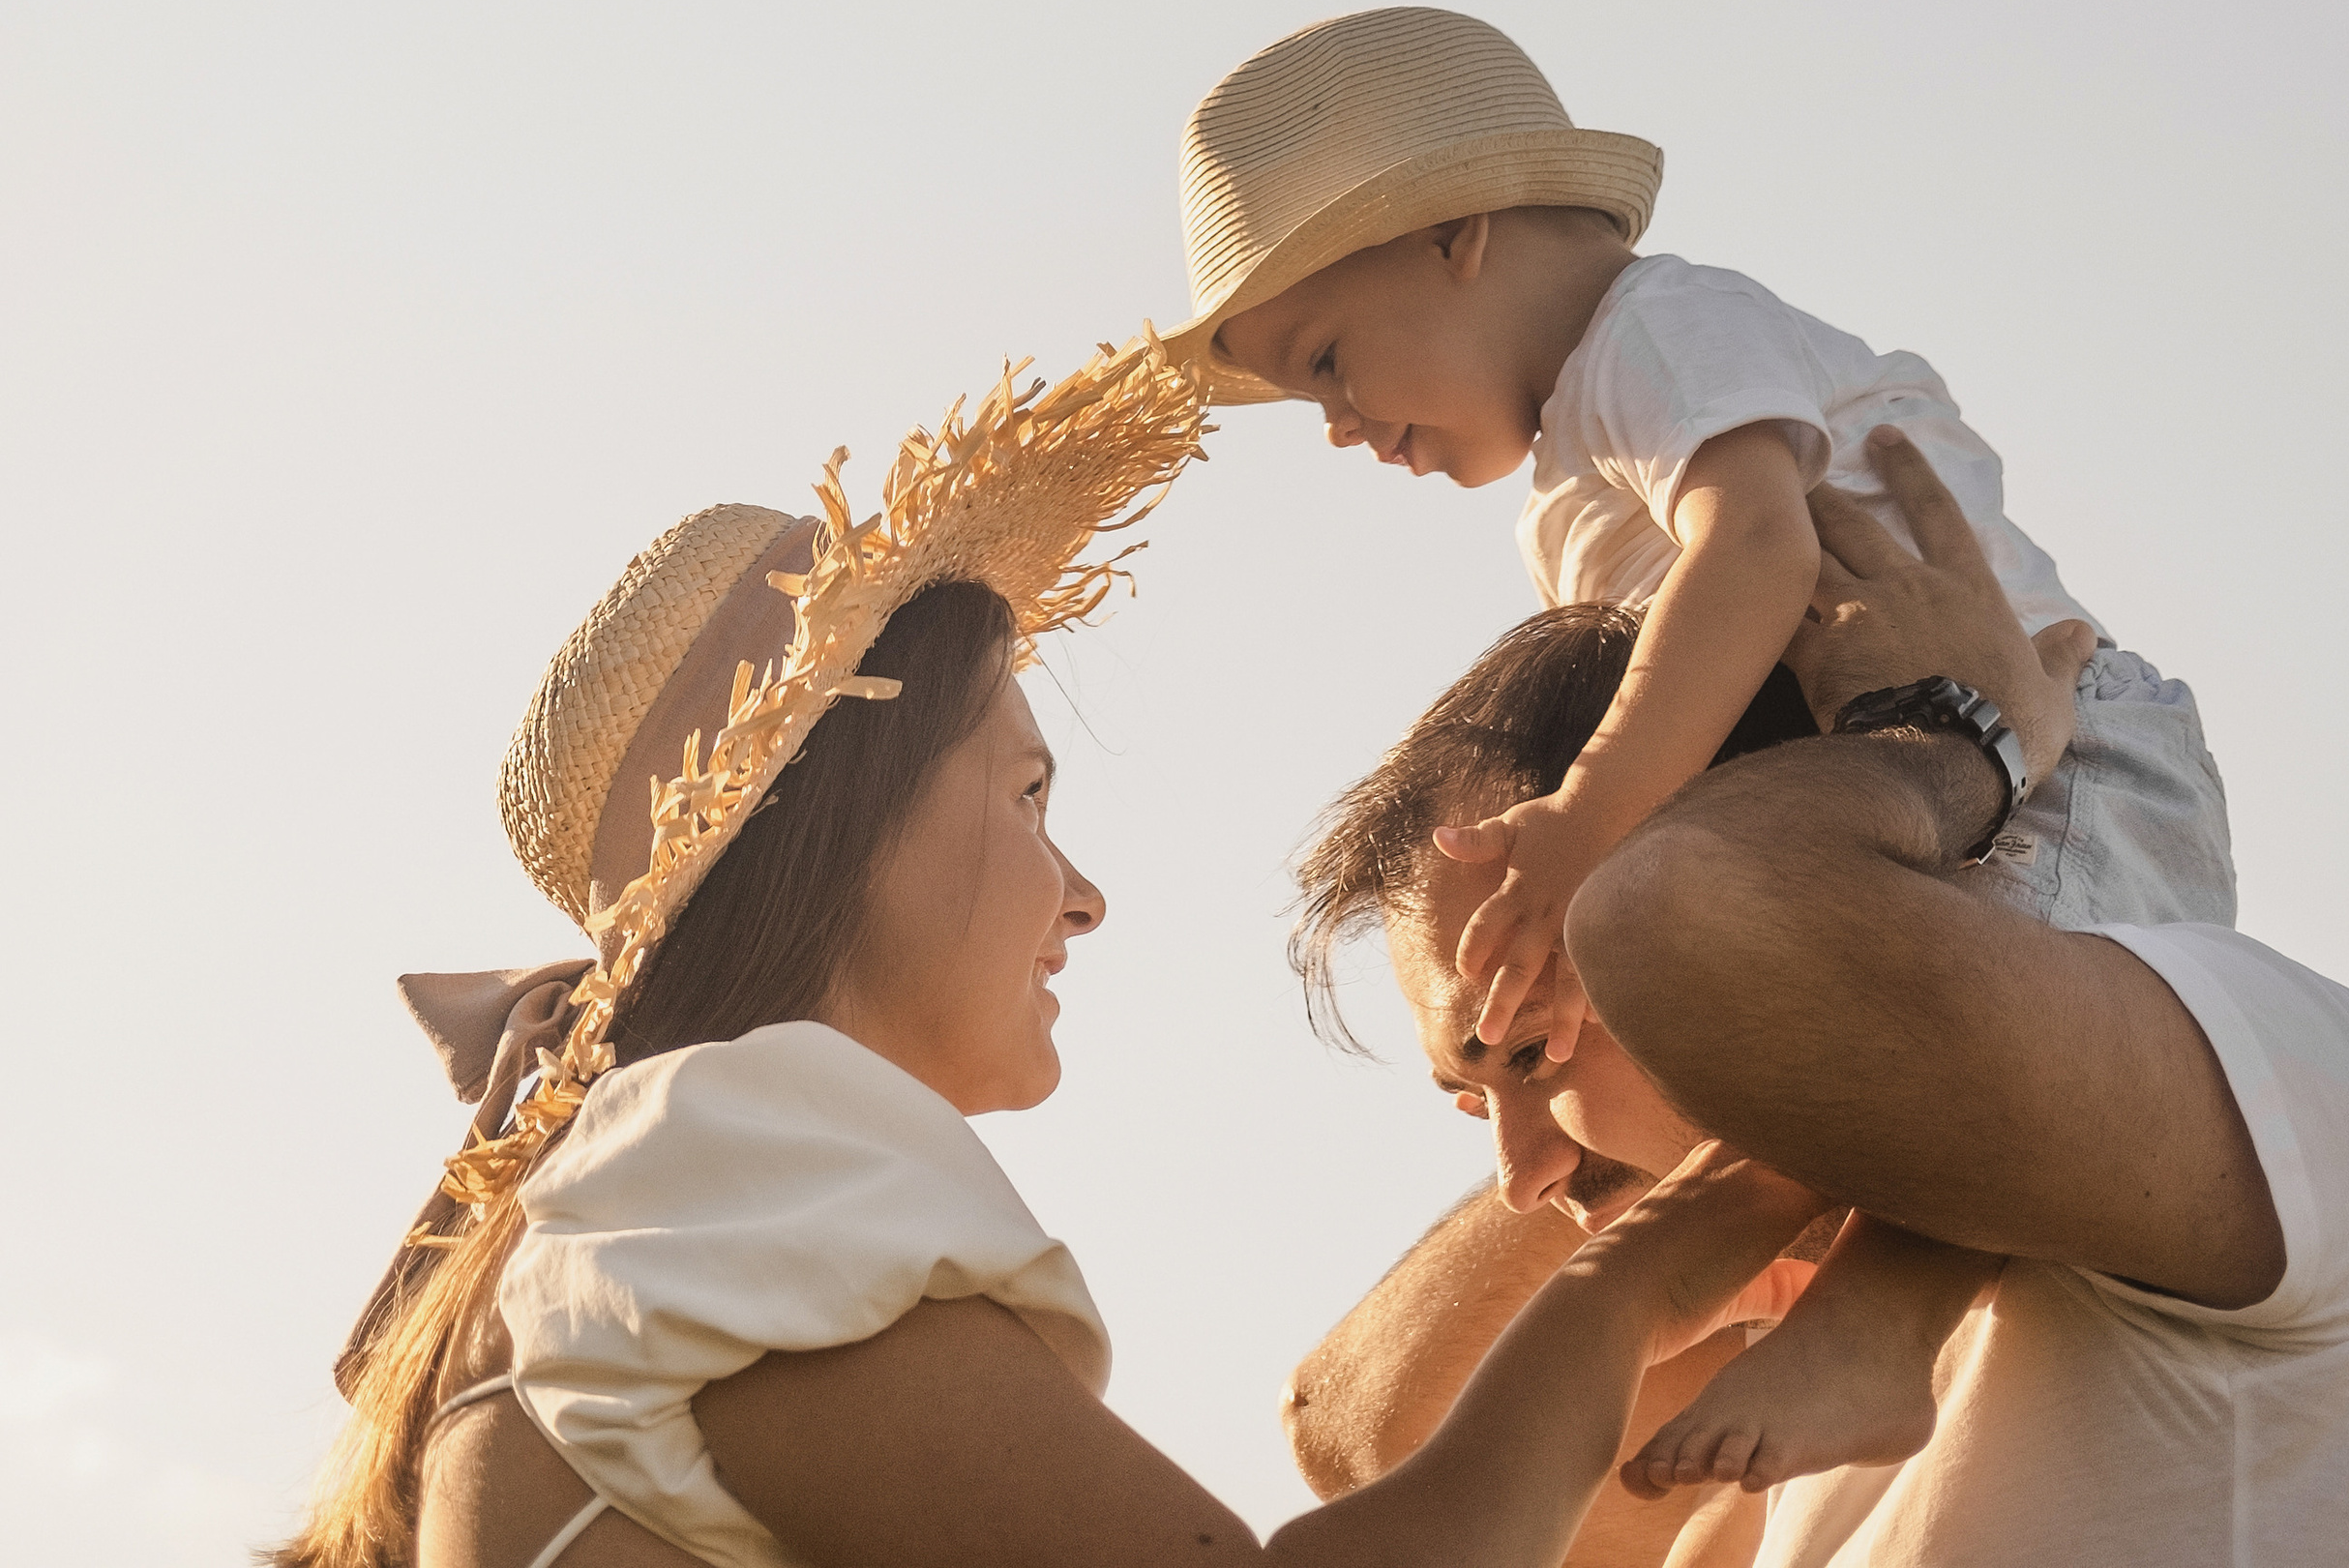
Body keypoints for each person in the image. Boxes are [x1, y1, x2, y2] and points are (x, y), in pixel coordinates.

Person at [278, 340, 1795, 1568]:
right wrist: (1635, 1281)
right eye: (1026, 793)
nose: (1084, 899)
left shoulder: (635, 1211)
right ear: (850, 831)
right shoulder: (733, 1142)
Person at [1169, 0, 2235, 1477]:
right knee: (1870, 1022)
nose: (1340, 423)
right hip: (1913, 779)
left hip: (2069, 751)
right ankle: (1810, 1293)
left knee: (1983, 1010)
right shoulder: (1572, 488)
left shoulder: (1656, 334)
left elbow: (1758, 552)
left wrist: (1590, 818)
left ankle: (1877, 1327)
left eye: (1332, 359)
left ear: (1456, 237)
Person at [1285, 432, 2349, 1557]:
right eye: (1474, 1094)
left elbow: (1683, 907)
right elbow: (1372, 1434)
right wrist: (1658, 1259)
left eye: (1530, 1047)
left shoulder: (2291, 1085)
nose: (1522, 1177)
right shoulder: (1803, 1394)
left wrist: (1951, 734)